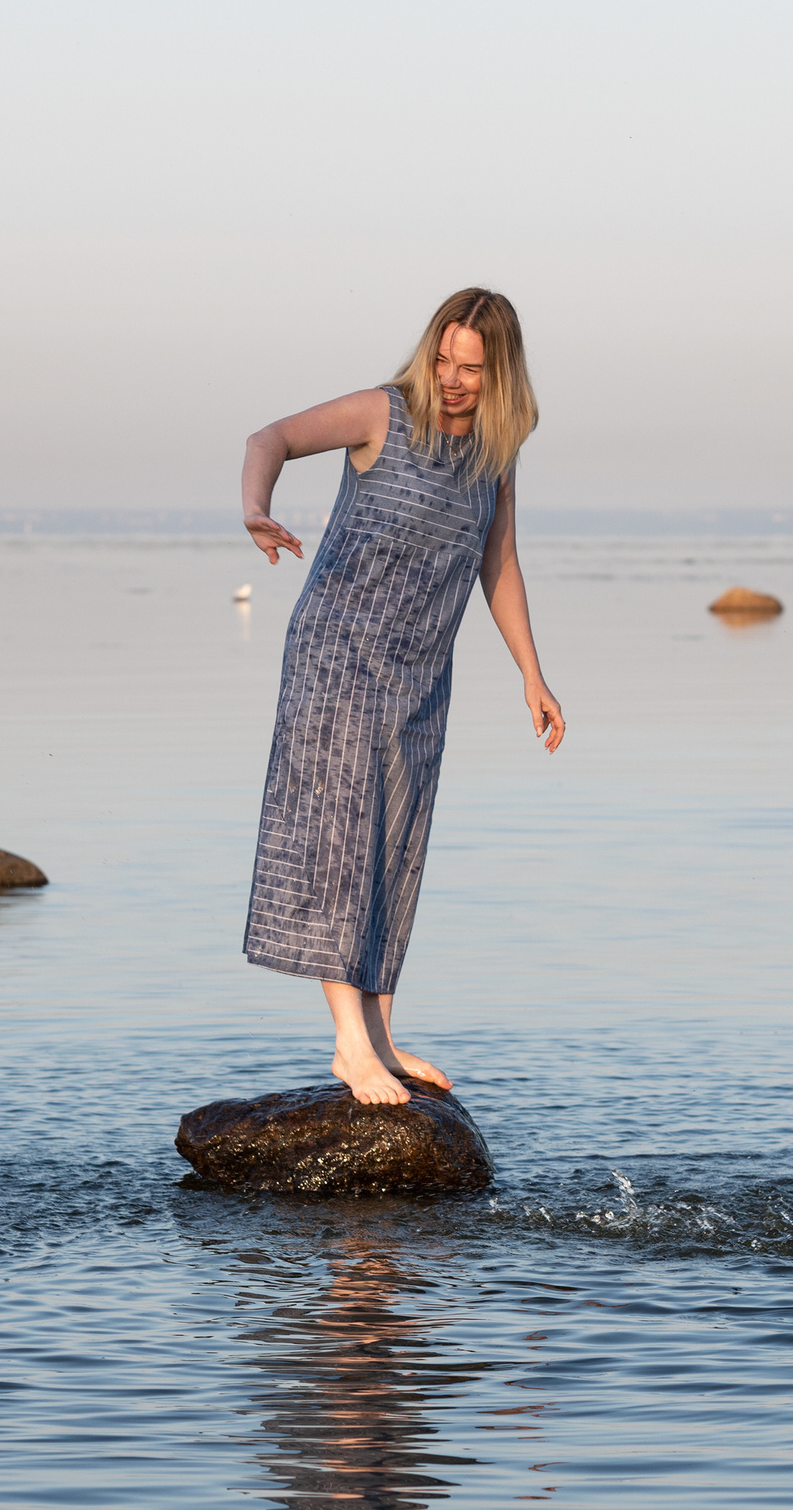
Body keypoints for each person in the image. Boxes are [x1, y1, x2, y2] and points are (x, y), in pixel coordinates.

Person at [239, 288, 564, 1105]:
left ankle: (380, 1031)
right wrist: (256, 507)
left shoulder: (497, 451)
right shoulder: (383, 414)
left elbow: (500, 564)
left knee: (396, 846)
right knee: (340, 839)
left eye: (472, 369)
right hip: (336, 655)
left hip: (420, 674)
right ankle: (350, 1044)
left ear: (502, 375)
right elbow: (267, 437)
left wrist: (532, 671)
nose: (452, 381)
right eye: (444, 360)